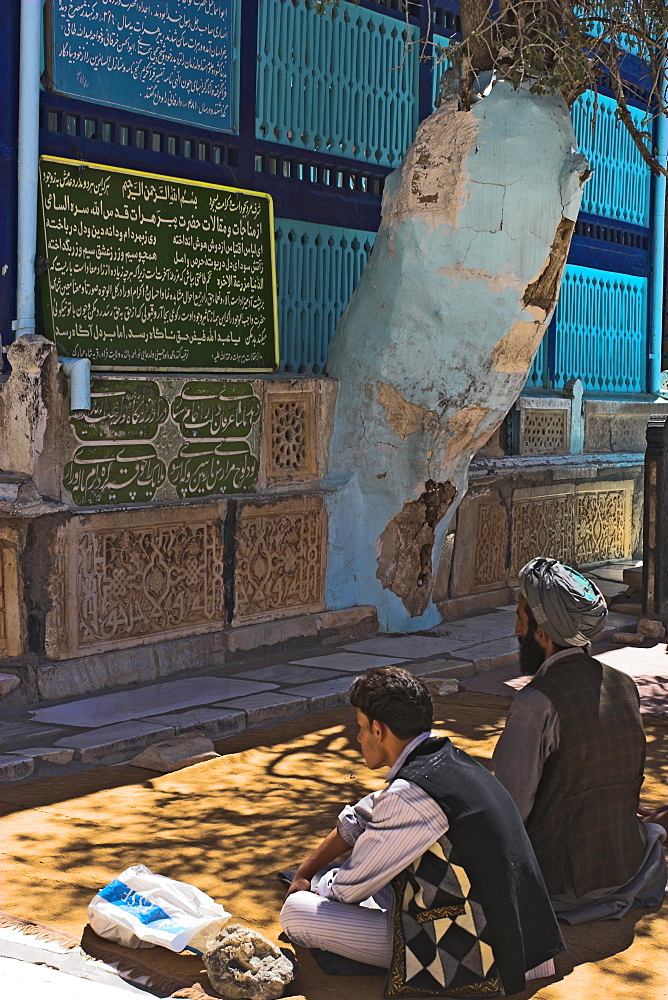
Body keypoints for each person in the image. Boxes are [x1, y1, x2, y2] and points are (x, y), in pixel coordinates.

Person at [281, 666, 565, 998]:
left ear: (378, 729)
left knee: (296, 912)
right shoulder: (450, 760)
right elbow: (362, 816)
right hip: (519, 935)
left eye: (359, 728)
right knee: (355, 877)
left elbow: (347, 890)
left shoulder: (409, 797)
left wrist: (313, 884)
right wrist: (306, 871)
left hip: (475, 949)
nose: (357, 738)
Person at [492, 557, 667, 923]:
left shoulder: (535, 702)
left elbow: (508, 809)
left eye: (521, 618)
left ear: (542, 635)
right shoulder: (623, 685)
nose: (515, 630)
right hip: (626, 866)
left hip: (559, 885)